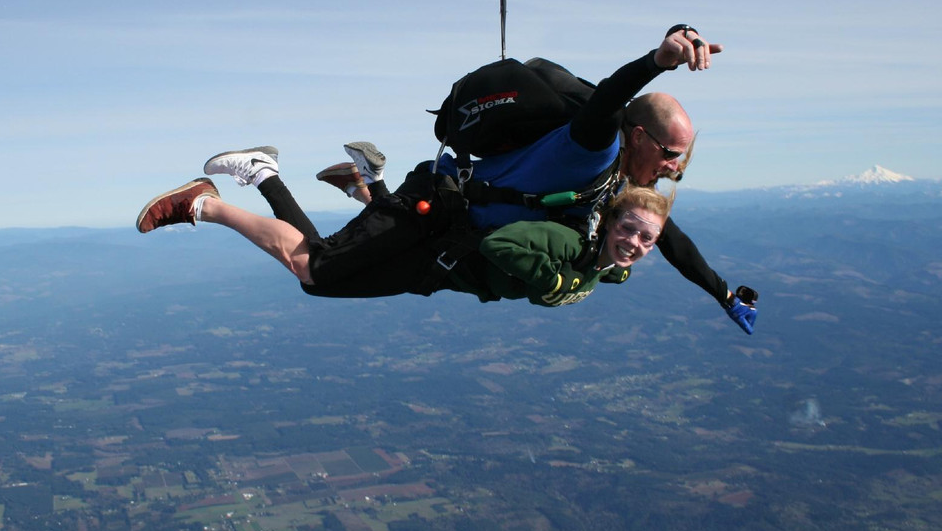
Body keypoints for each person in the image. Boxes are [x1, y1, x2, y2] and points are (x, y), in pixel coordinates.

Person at [312, 25, 757, 334]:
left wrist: (724, 295)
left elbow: (670, 239)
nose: (674, 170)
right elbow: (608, 100)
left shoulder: (621, 188)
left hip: (456, 231)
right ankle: (291, 178)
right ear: (639, 137)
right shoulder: (595, 147)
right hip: (443, 211)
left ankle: (360, 184)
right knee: (324, 275)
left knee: (341, 274)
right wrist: (657, 60)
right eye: (671, 155)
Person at [136, 149, 673, 308]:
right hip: (433, 254)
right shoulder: (569, 244)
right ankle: (208, 205)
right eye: (629, 230)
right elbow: (499, 245)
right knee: (313, 270)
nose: (634, 243)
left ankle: (331, 183)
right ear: (609, 223)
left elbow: (642, 252)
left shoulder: (608, 270)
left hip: (434, 267)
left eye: (646, 240)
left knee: (317, 266)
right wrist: (548, 280)